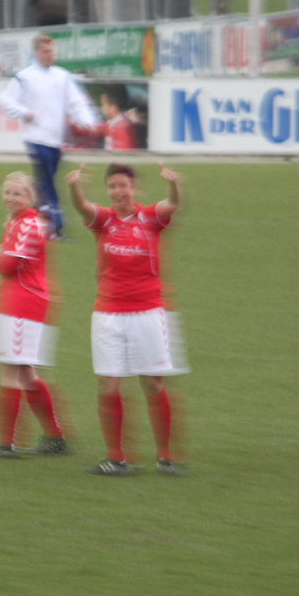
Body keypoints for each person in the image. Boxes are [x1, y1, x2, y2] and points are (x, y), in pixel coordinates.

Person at [66, 161, 187, 476]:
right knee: (108, 383)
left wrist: (173, 183)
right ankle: (117, 458)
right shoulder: (103, 220)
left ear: (134, 188)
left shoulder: (150, 217)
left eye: (123, 185)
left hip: (148, 311)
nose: (118, 191)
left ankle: (166, 456)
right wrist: (74, 186)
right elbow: (81, 206)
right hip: (108, 314)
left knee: (153, 383)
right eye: (112, 186)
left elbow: (173, 203)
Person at [0, 171, 71, 459]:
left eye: (18, 193)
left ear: (30, 197)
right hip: (21, 301)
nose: (11, 198)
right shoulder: (19, 221)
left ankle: (6, 443)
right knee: (26, 372)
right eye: (7, 192)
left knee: (10, 371)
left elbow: (6, 265)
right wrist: (0, 257)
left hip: (22, 303)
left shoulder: (28, 224)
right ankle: (55, 436)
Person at [0, 34, 100, 240]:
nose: (49, 55)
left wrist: (86, 121)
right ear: (35, 53)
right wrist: (24, 113)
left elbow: (76, 103)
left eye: (51, 51)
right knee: (47, 183)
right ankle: (54, 226)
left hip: (55, 141)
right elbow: (4, 101)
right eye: (45, 51)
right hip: (36, 139)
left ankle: (31, 220)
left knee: (44, 182)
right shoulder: (25, 77)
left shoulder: (62, 76)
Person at [99, 85, 140, 152]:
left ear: (113, 108)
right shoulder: (111, 124)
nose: (102, 108)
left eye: (103, 105)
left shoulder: (124, 129)